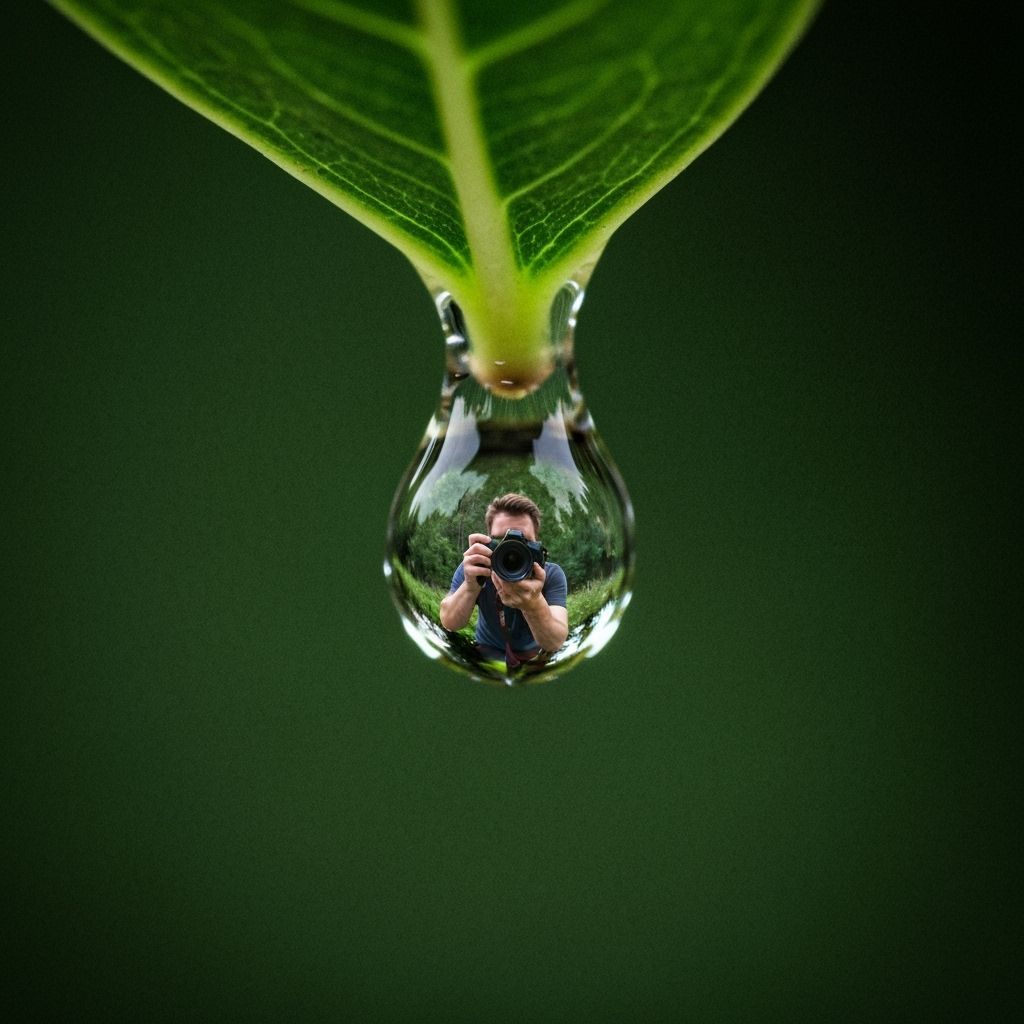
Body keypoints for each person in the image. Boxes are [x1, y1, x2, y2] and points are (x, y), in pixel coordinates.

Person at [439, 493, 569, 666]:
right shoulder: (475, 567)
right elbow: (450, 622)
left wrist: (534, 604)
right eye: (502, 540)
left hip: (530, 656)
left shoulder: (551, 574)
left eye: (524, 541)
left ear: (537, 545)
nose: (512, 551)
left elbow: (555, 642)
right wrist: (471, 587)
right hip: (486, 650)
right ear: (487, 541)